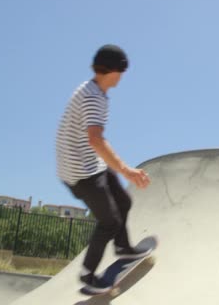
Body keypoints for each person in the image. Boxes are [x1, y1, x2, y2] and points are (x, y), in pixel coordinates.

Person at [55, 44, 151, 292]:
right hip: (80, 173)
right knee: (109, 221)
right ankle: (88, 275)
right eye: (121, 72)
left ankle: (123, 248)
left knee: (124, 202)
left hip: (92, 164)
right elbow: (95, 139)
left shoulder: (93, 90)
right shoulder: (92, 97)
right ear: (113, 71)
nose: (122, 77)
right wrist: (126, 170)